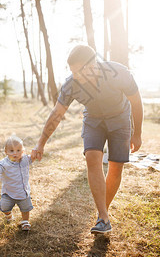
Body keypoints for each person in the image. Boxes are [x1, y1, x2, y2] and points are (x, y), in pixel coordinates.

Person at [32, 44, 143, 234]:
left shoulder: (118, 73)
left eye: (78, 71)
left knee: (116, 166)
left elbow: (136, 101)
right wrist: (41, 142)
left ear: (92, 66)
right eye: (72, 72)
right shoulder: (71, 84)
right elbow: (56, 114)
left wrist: (137, 133)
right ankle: (103, 217)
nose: (75, 76)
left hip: (120, 119)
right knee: (92, 158)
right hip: (93, 119)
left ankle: (102, 213)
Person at [0, 135, 33, 231]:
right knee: (4, 207)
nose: (15, 153)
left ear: (23, 150)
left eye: (18, 150)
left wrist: (38, 152)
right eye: (11, 151)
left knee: (25, 208)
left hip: (23, 192)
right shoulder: (4, 163)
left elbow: (34, 157)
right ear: (6, 151)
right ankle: (9, 215)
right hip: (9, 193)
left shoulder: (25, 159)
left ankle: (25, 222)